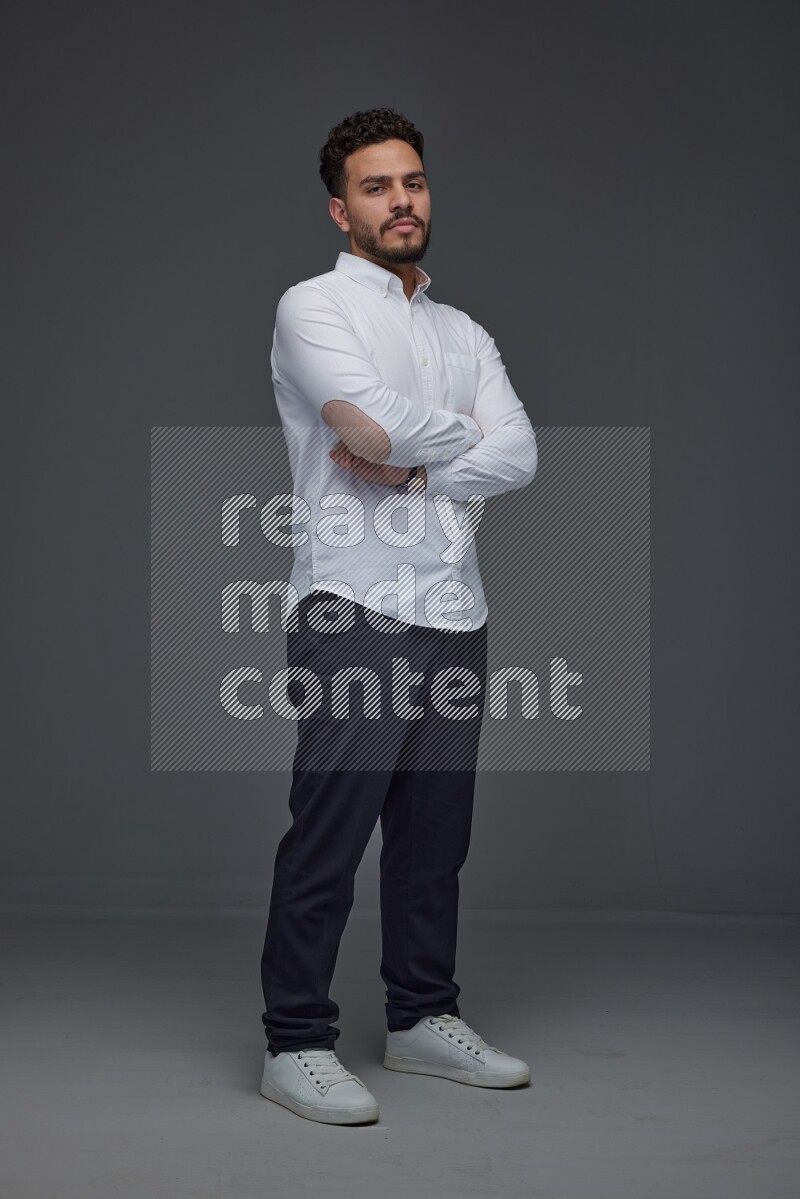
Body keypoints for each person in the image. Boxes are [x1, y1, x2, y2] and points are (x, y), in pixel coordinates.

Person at [259, 107, 539, 1125]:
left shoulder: (463, 331)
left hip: (453, 609)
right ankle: (294, 1037)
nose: (401, 200)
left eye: (412, 181)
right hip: (355, 605)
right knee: (328, 833)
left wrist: (418, 457)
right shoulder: (312, 308)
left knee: (433, 838)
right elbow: (360, 422)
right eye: (377, 187)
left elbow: (521, 452)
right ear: (342, 209)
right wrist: (453, 437)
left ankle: (421, 1016)